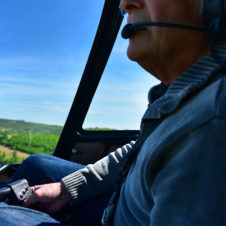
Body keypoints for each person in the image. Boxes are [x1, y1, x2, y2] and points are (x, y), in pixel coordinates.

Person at [1, 0, 226, 225]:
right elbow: (135, 150)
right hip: (123, 201)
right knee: (36, 164)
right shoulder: (181, 94)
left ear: (216, 6)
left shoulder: (211, 122)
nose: (125, 4)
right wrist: (65, 190)